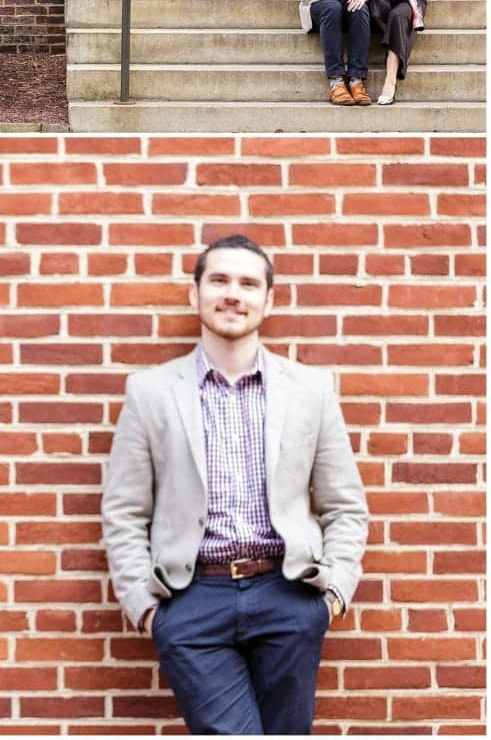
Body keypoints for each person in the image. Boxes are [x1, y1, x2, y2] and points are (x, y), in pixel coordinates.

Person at [101, 234, 368, 735]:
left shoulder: (311, 390)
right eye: (219, 280)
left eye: (248, 283)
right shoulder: (151, 392)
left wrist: (332, 593)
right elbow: (124, 510)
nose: (233, 294)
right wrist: (145, 608)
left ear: (268, 300)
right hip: (191, 599)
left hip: (289, 594)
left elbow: (344, 506)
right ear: (194, 294)